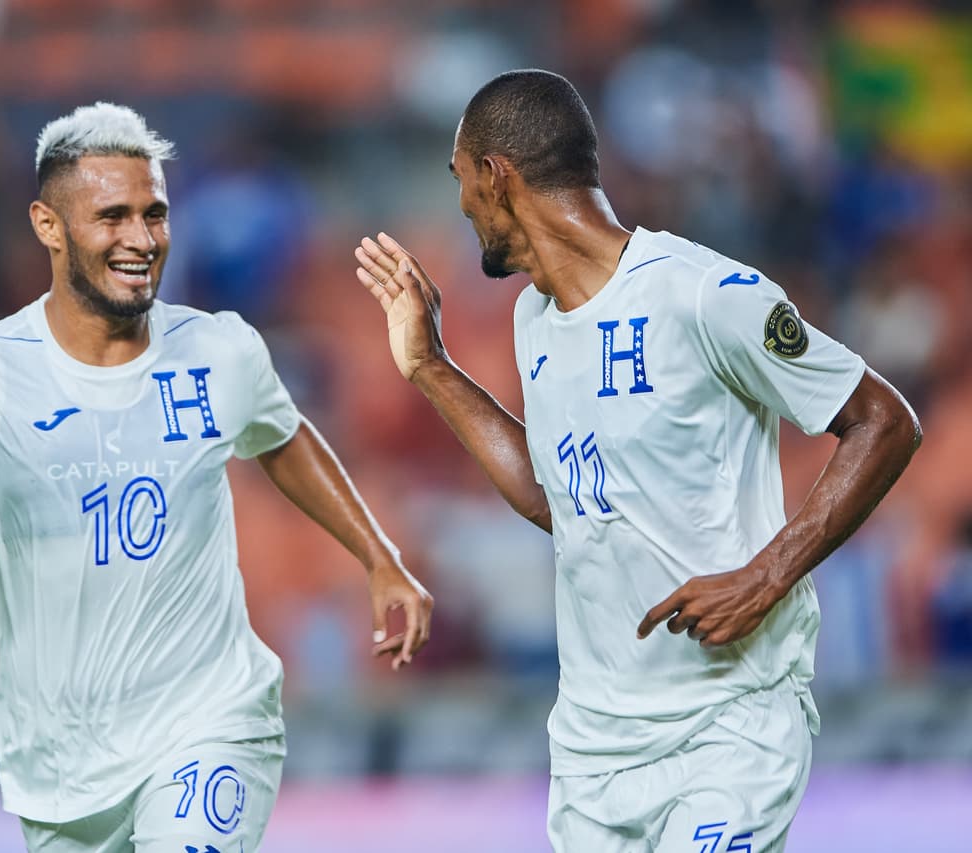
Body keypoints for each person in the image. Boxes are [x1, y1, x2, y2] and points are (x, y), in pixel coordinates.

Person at [0, 102, 432, 853]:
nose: (142, 239)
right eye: (112, 216)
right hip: (62, 773)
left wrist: (378, 555)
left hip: (208, 728)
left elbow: (281, 435)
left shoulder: (220, 350)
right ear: (49, 225)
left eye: (155, 213)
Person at [354, 70, 920, 852]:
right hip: (594, 755)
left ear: (495, 176)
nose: (460, 206)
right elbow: (558, 498)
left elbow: (883, 420)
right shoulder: (534, 319)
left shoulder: (704, 295)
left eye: (460, 179)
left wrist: (768, 573)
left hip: (730, 727)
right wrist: (431, 367)